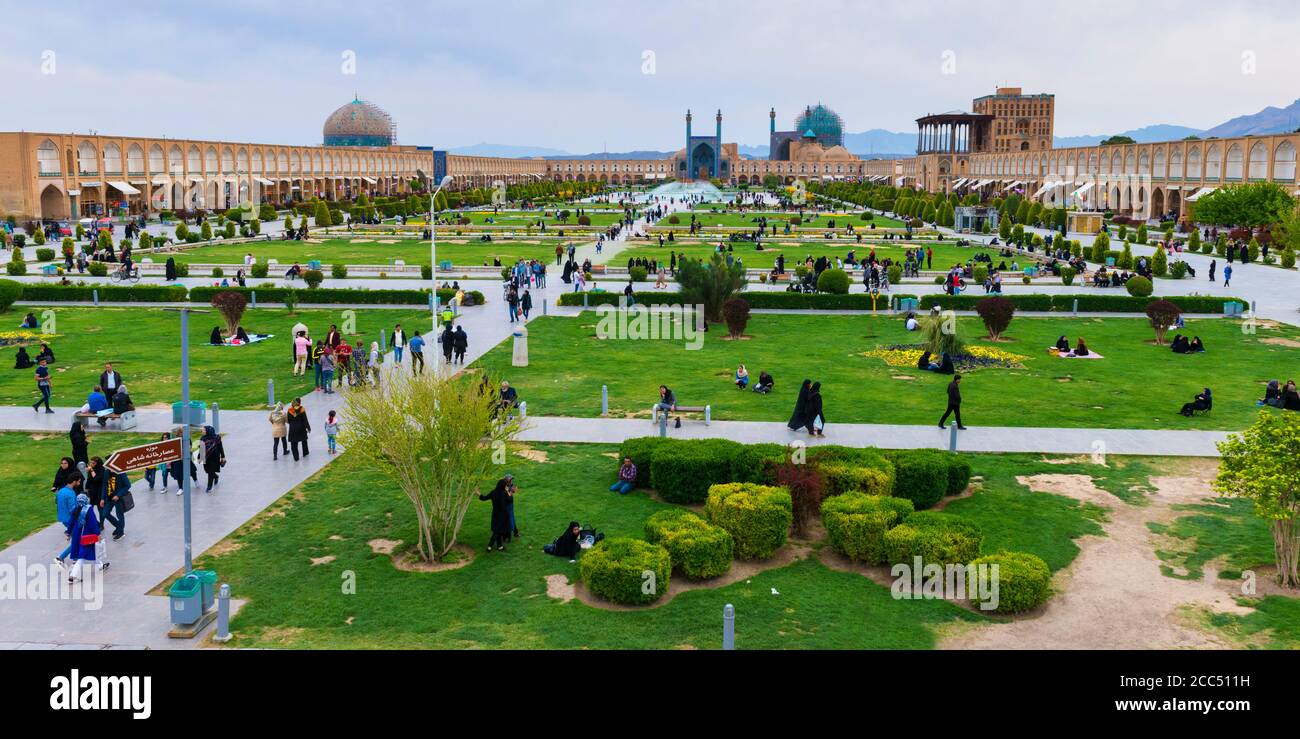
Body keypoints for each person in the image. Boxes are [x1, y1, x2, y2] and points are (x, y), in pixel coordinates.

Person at [66, 492, 105, 582]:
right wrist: (98, 534)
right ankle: (73, 575)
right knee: (82, 556)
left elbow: (71, 522)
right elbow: (93, 523)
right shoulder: (88, 509)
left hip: (76, 534)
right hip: (86, 534)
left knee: (92, 550)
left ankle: (100, 565)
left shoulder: (75, 508)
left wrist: (68, 532)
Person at [52, 472, 81, 567]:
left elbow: (57, 503)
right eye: (79, 481)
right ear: (74, 481)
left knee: (75, 539)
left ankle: (75, 559)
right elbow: (73, 510)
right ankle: (60, 557)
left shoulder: (60, 491)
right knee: (78, 540)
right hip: (70, 520)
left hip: (63, 518)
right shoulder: (71, 493)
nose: (79, 484)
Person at [479, 477, 513, 551]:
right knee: (497, 531)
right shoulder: (504, 493)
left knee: (498, 530)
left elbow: (484, 498)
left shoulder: (493, 492)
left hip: (495, 514)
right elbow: (510, 500)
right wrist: (508, 492)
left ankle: (499, 546)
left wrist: (478, 493)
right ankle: (489, 546)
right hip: (503, 514)